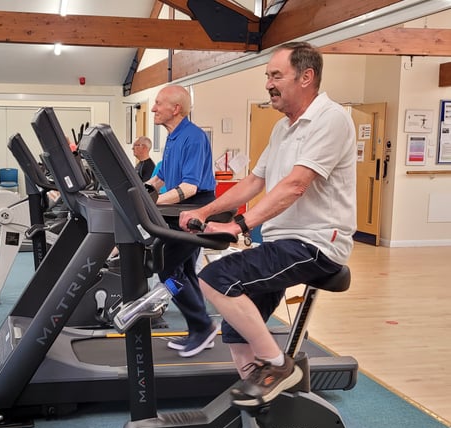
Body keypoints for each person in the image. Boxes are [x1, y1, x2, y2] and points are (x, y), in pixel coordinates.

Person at [179, 41, 357, 406]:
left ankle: (278, 367)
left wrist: (239, 226)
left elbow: (295, 184)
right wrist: (207, 212)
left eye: (276, 75)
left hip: (316, 243)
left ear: (306, 77)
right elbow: (254, 182)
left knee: (215, 279)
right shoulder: (282, 129)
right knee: (234, 329)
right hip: (282, 241)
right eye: (267, 76)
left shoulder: (331, 118)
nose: (268, 84)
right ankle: (263, 399)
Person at [145, 84, 218, 358]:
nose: (153, 108)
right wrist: (137, 191)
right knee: (185, 271)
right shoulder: (173, 137)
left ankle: (203, 325)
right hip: (180, 210)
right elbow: (159, 178)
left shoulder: (194, 137)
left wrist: (152, 202)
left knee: (167, 271)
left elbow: (189, 187)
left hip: (194, 208)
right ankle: (199, 329)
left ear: (175, 109)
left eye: (158, 103)